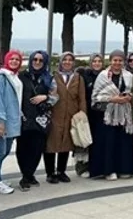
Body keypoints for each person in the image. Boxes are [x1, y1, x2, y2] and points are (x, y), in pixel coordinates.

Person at [90, 50, 133, 180]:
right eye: (115, 60)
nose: (117, 63)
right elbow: (96, 96)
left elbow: (132, 92)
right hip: (107, 116)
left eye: (120, 60)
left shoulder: (129, 76)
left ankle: (123, 169)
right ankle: (108, 171)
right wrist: (113, 99)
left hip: (124, 114)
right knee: (108, 143)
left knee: (123, 142)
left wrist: (127, 97)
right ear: (110, 61)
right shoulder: (103, 76)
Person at [15, 51, 58, 191]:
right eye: (35, 59)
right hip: (24, 117)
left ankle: (29, 174)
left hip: (41, 119)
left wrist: (45, 97)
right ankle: (26, 176)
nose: (37, 62)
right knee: (22, 148)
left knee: (37, 148)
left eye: (41, 60)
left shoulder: (49, 78)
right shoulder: (21, 76)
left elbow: (55, 97)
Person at [45, 52, 86, 184]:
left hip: (71, 115)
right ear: (61, 62)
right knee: (51, 145)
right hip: (55, 114)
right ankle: (50, 172)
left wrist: (82, 114)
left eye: (70, 60)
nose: (67, 62)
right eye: (65, 60)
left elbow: (82, 98)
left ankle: (61, 172)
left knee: (66, 144)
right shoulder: (53, 76)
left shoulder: (78, 78)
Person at [0, 50, 23, 195]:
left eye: (17, 59)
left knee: (5, 151)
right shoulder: (0, 77)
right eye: (12, 59)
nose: (14, 61)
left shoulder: (14, 76)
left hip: (13, 120)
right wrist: (0, 121)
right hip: (3, 120)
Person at [75, 53, 104, 178]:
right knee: (83, 140)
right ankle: (81, 166)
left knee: (97, 141)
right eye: (94, 61)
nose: (97, 63)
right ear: (90, 63)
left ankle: (95, 165)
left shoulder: (105, 76)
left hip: (100, 113)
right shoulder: (84, 76)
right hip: (87, 112)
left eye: (99, 61)